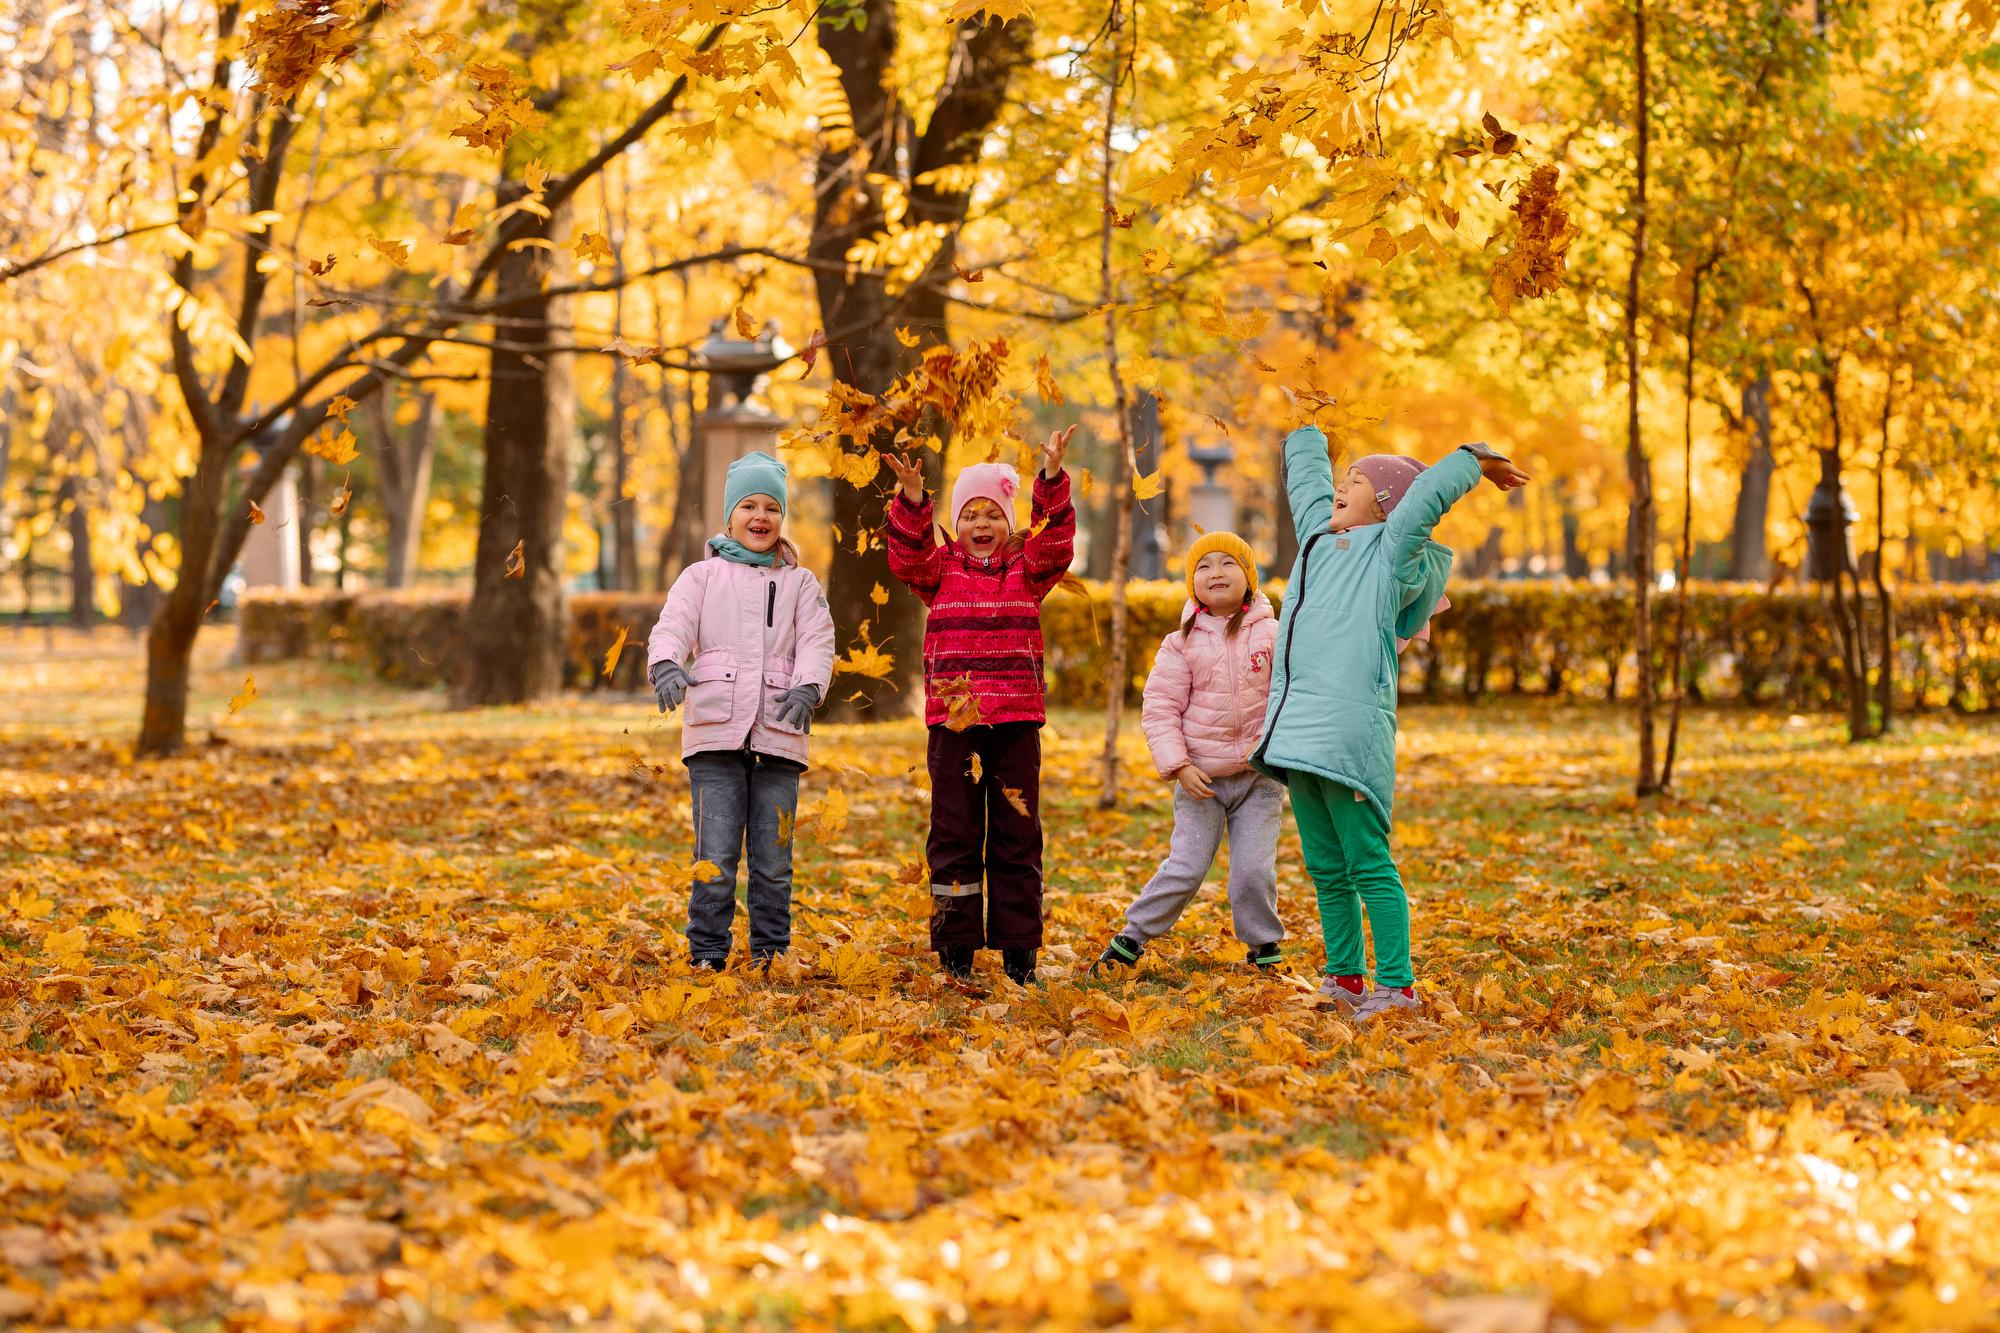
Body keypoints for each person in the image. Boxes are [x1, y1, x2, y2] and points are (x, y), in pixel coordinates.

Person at [1252, 425, 1530, 1021]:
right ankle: (1345, 977)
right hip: (1299, 732)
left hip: (1349, 734)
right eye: (1342, 479)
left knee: (1367, 863)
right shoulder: (1318, 543)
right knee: (1326, 867)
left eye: (1354, 481)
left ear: (1383, 504)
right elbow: (1306, 485)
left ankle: (1397, 984)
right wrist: (1306, 429)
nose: (1339, 489)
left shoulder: (1388, 553)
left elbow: (1426, 496)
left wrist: (1473, 457)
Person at [883, 428, 1078, 985]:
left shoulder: (1029, 570)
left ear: (1009, 521)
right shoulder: (938, 571)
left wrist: (1050, 480)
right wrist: (915, 501)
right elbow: (907, 555)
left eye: (993, 513)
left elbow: (1058, 540)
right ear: (956, 522)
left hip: (1015, 721)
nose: (982, 525)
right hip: (954, 726)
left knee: (1018, 832)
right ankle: (956, 944)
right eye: (970, 515)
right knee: (954, 831)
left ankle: (1020, 948)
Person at [646, 450, 835, 970]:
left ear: (783, 518)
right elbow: (673, 625)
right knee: (716, 853)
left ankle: (771, 951)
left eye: (771, 508)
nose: (760, 517)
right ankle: (707, 949)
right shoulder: (701, 576)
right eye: (748, 505)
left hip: (779, 731)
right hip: (714, 734)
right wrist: (665, 663)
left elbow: (818, 642)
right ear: (729, 515)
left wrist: (808, 687)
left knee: (773, 860)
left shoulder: (801, 584)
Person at [1093, 532, 1285, 974]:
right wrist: (1178, 765)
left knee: (1253, 873)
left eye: (1227, 563)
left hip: (1260, 779)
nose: (1215, 572)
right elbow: (1160, 708)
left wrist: (1284, 751)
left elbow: (1291, 692)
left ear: (1249, 578)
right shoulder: (1181, 643)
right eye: (1204, 566)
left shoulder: (1274, 634)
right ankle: (1131, 938)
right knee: (1186, 868)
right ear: (1192, 584)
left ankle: (1264, 947)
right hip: (1202, 781)